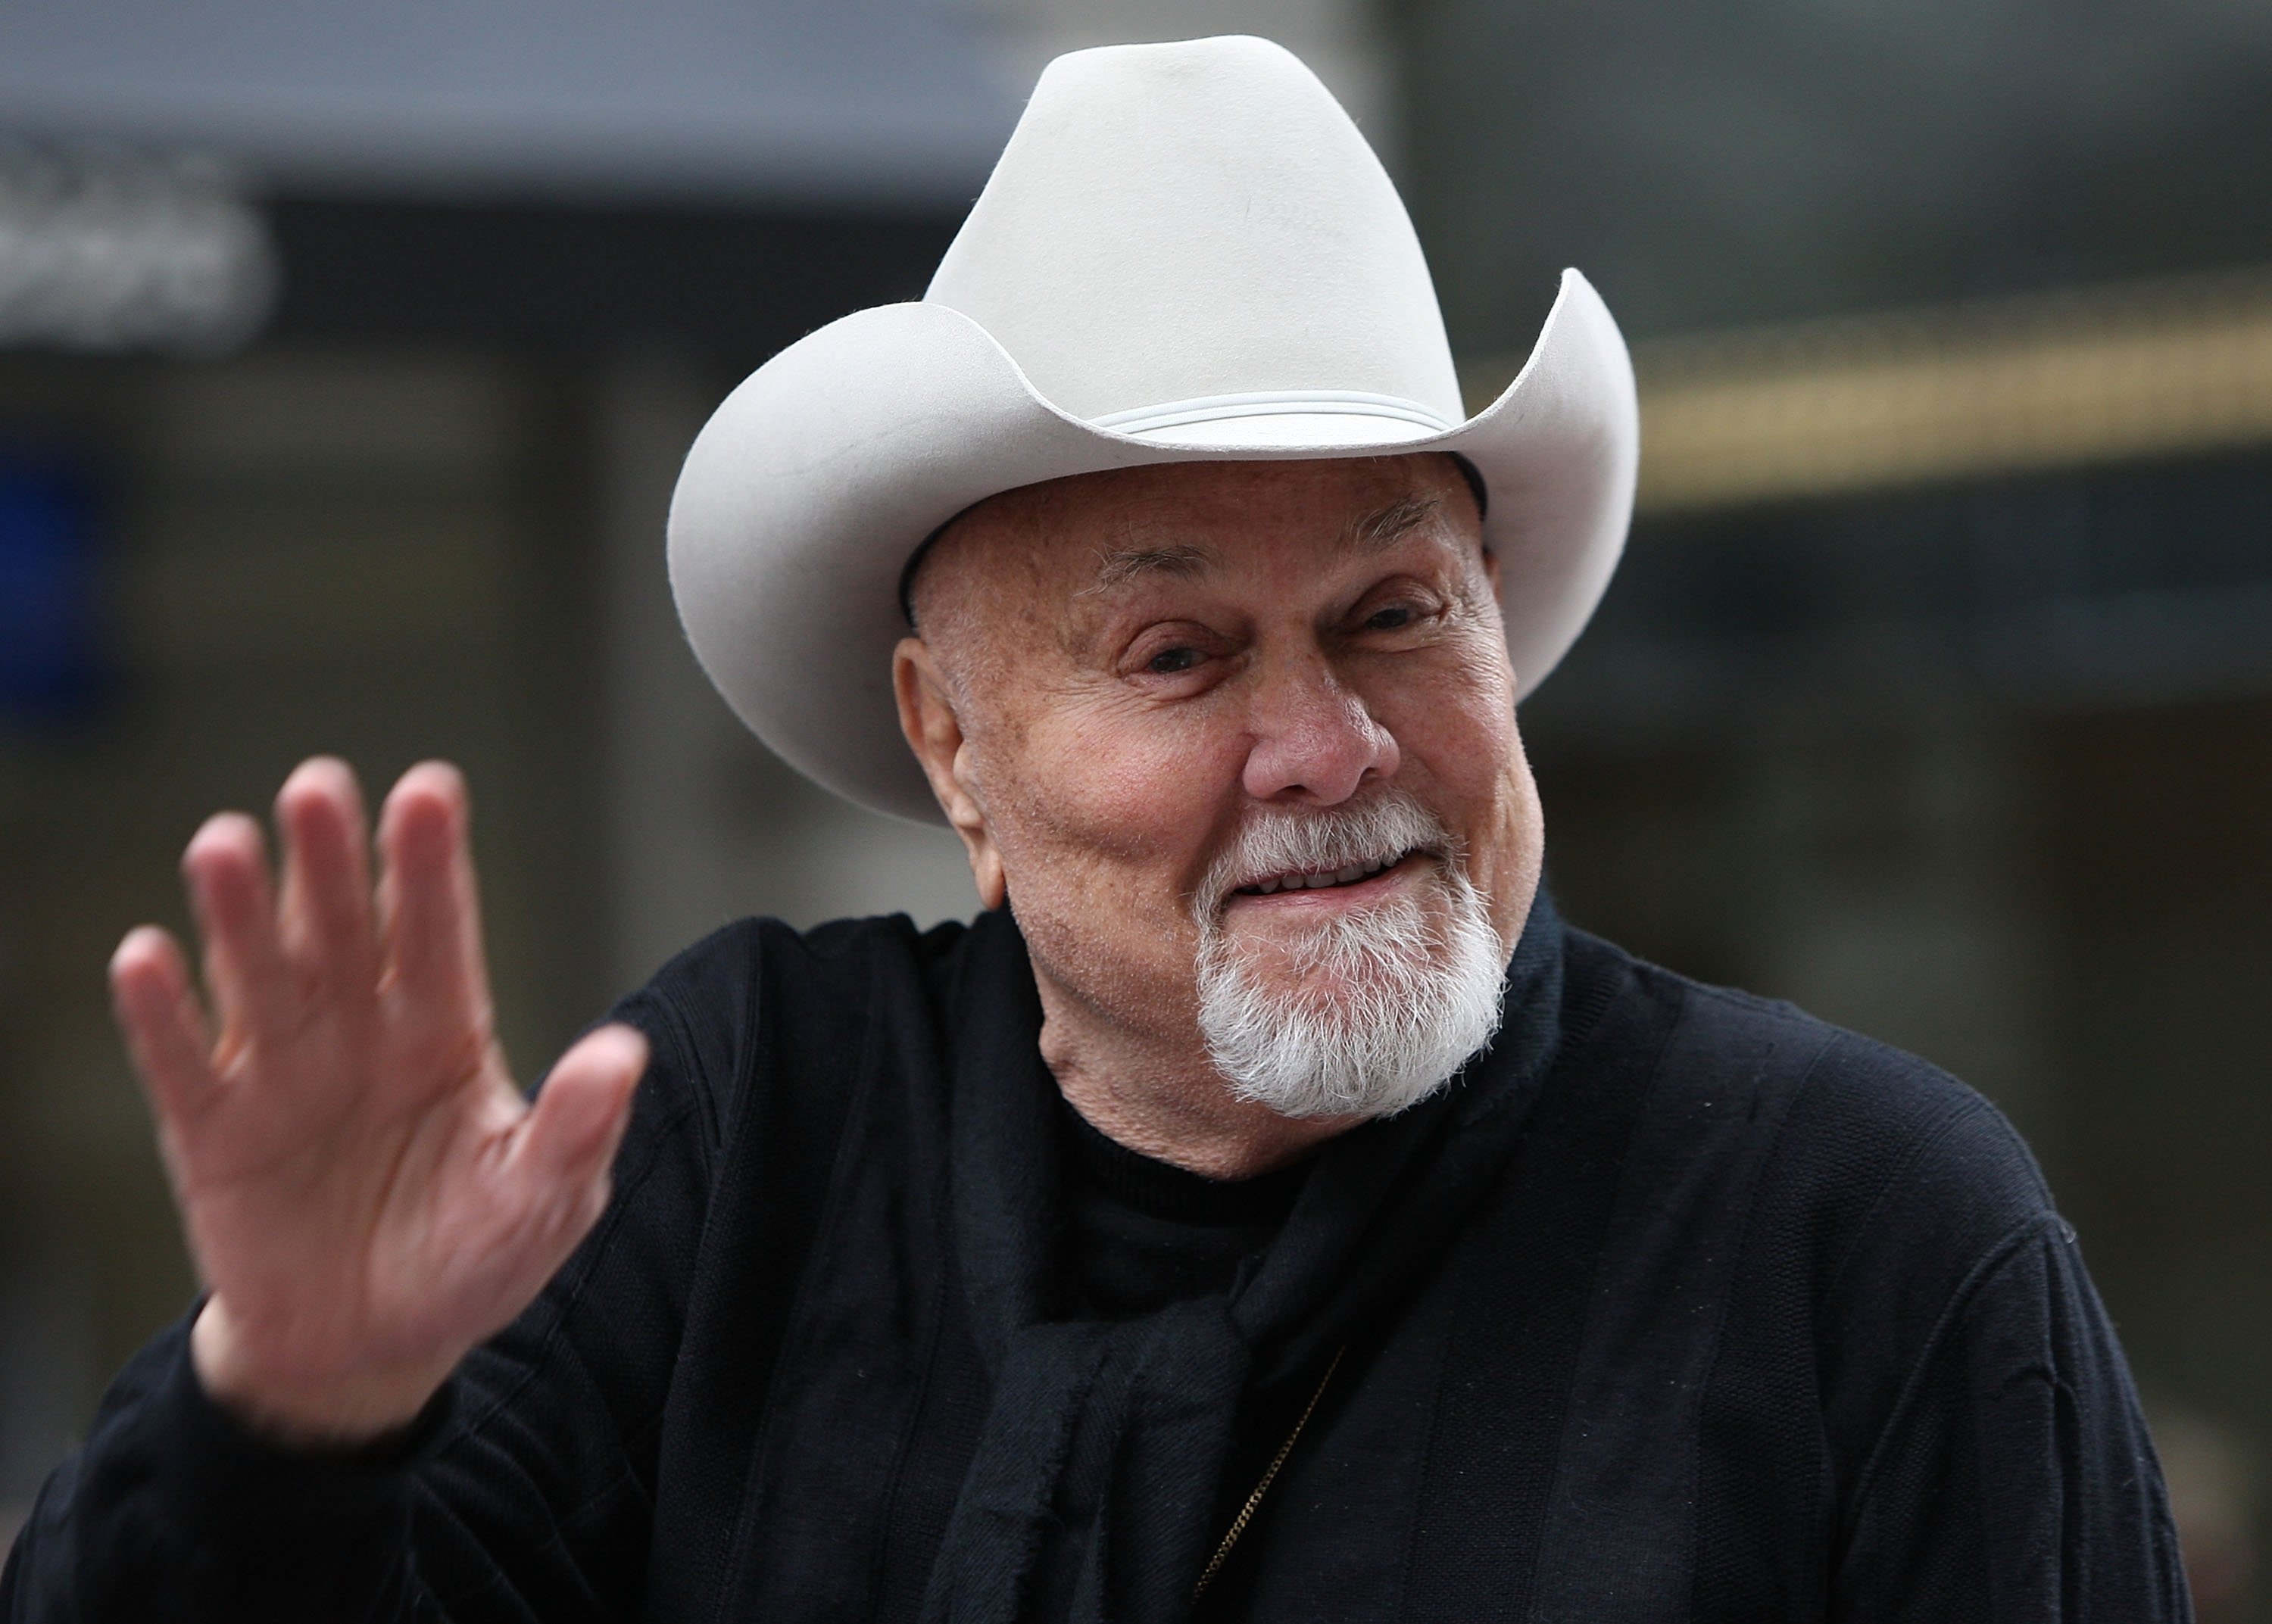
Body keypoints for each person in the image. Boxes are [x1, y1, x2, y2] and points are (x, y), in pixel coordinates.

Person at [2, 35, 2187, 1624]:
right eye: (1178, 656)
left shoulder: (1866, 1240)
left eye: (1393, 613)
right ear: (953, 750)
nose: (1325, 742)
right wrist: (292, 1409)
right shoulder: (740, 1138)